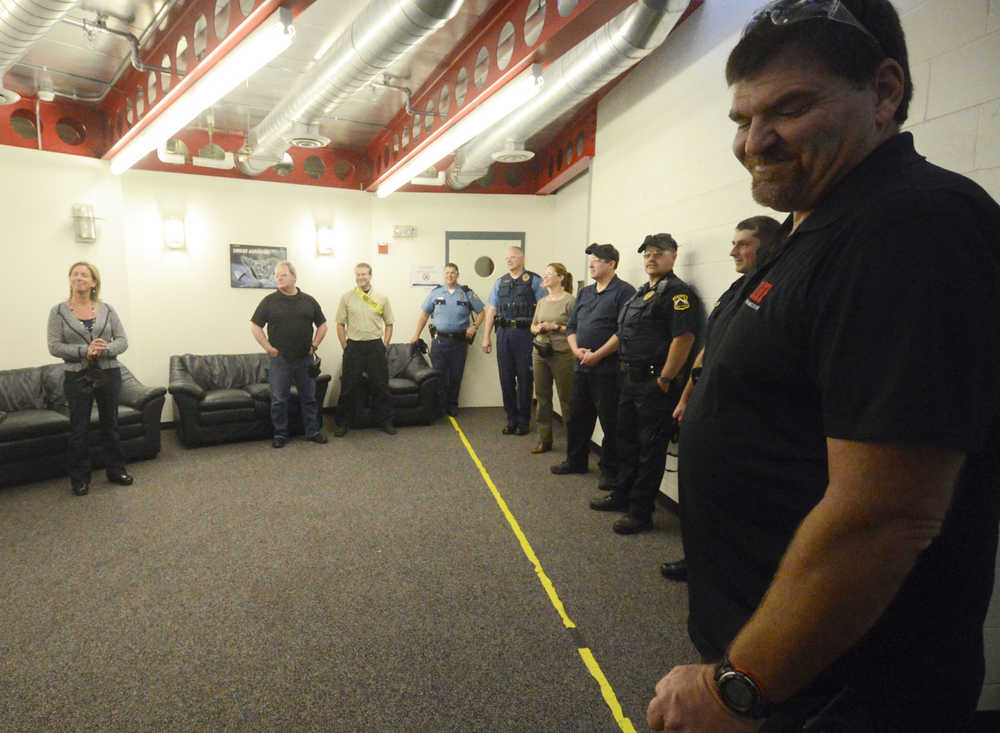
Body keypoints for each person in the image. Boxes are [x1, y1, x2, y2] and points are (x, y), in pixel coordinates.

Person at [646, 2, 1000, 731]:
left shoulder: (911, 225)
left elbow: (887, 514)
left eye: (791, 108)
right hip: (792, 672)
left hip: (842, 694)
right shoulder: (819, 230)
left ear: (886, 92)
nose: (754, 141)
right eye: (741, 120)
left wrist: (737, 687)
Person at [660, 215, 780, 583]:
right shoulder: (736, 290)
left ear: (769, 245)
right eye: (734, 243)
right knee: (703, 492)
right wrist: (685, 398)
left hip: (747, 414)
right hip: (708, 404)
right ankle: (699, 559)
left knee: (736, 498)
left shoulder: (779, 289)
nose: (733, 251)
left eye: (743, 244)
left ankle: (729, 569)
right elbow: (707, 349)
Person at [589, 234, 701, 534]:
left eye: (658, 253)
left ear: (673, 256)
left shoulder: (678, 294)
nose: (651, 258)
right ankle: (622, 495)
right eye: (647, 254)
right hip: (629, 379)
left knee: (649, 450)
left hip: (654, 383)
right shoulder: (643, 292)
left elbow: (684, 338)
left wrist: (665, 379)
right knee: (626, 442)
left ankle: (640, 512)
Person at [550, 243, 635, 488]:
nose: (591, 264)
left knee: (611, 422)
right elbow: (573, 326)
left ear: (611, 264)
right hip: (582, 365)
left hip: (608, 369)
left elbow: (624, 331)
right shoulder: (586, 293)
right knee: (577, 417)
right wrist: (576, 350)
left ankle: (609, 471)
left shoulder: (624, 292)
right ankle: (575, 461)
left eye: (597, 260)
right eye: (591, 260)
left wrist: (598, 354)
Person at [47, 262, 132, 496]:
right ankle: (80, 478)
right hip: (77, 376)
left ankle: (116, 470)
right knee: (79, 428)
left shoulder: (108, 309)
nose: (79, 278)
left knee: (111, 425)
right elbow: (54, 346)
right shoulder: (58, 311)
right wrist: (85, 351)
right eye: (75, 274)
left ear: (94, 282)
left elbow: (123, 341)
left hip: (109, 373)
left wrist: (103, 349)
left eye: (85, 275)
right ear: (70, 279)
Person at [250, 261, 328, 448]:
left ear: (294, 277)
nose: (278, 278)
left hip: (305, 359)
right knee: (278, 400)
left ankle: (312, 431)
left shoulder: (309, 301)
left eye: (282, 275)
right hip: (280, 360)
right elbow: (255, 326)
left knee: (309, 398)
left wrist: (315, 345)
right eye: (276, 276)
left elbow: (323, 325)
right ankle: (280, 434)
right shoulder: (269, 301)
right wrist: (268, 347)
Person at [480, 246, 546, 435]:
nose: (509, 261)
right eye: (507, 258)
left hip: (525, 335)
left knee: (525, 379)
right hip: (504, 334)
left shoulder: (534, 280)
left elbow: (544, 307)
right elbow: (491, 310)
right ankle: (511, 419)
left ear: (522, 258)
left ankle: (524, 421)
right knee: (506, 379)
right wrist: (486, 337)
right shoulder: (500, 282)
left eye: (513, 257)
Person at [410, 263, 485, 417]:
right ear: (444, 276)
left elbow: (482, 312)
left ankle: (452, 405)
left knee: (456, 375)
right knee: (438, 374)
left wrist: (475, 327)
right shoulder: (436, 293)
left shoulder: (466, 293)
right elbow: (424, 315)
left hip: (459, 342)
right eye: (447, 273)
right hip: (439, 341)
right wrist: (416, 335)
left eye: (453, 273)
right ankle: (439, 405)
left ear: (457, 275)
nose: (450, 275)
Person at [334, 262, 396, 436]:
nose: (361, 277)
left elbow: (389, 323)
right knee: (348, 386)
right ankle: (342, 423)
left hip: (375, 346)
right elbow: (340, 324)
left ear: (370, 275)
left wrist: (385, 344)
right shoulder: (347, 297)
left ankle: (385, 421)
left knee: (381, 386)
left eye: (364, 274)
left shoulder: (382, 298)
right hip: (354, 346)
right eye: (358, 274)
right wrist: (345, 346)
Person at [528, 263, 576, 453]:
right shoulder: (542, 302)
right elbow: (532, 326)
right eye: (544, 274)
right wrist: (538, 328)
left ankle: (573, 442)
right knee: (542, 397)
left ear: (561, 277)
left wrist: (555, 327)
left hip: (562, 353)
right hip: (540, 352)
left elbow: (575, 329)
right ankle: (544, 439)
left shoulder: (570, 301)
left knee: (567, 399)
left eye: (549, 274)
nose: (544, 277)